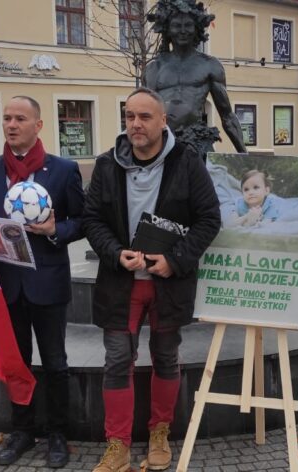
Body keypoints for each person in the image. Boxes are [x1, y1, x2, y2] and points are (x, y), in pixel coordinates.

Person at [82, 87, 221, 472]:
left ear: (163, 121)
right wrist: (114, 252)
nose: (136, 124)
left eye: (145, 117)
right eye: (129, 116)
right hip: (120, 282)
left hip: (166, 283)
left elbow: (209, 219)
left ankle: (159, 432)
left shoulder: (187, 163)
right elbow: (91, 218)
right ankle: (118, 444)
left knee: (166, 357)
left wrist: (174, 261)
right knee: (116, 361)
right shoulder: (107, 164)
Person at [0, 96, 85, 468]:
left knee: (55, 362)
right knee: (15, 361)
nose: (11, 124)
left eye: (20, 118)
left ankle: (57, 434)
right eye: (6, 118)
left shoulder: (63, 170)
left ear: (38, 125)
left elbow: (82, 222)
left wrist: (56, 230)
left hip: (47, 284)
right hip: (6, 285)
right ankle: (22, 431)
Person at [143, 0, 247, 157]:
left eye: (188, 25)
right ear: (168, 29)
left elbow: (227, 115)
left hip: (197, 143)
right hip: (162, 146)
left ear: (197, 28)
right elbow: (144, 115)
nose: (183, 30)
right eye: (177, 25)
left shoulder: (210, 65)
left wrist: (245, 155)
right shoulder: (153, 68)